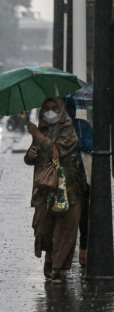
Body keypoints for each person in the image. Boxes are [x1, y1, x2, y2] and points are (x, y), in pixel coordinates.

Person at [24, 97, 86, 284]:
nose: (50, 112)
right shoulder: (41, 130)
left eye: (54, 108)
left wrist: (37, 134)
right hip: (45, 188)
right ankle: (49, 257)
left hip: (69, 188)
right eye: (47, 109)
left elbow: (57, 149)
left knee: (65, 229)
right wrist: (31, 154)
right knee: (43, 226)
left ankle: (58, 269)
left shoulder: (68, 129)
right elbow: (31, 158)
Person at [65, 96, 93, 266]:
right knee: (65, 217)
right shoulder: (55, 128)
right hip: (63, 177)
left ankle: (83, 249)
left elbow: (92, 143)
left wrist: (76, 142)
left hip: (83, 175)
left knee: (83, 215)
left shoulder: (83, 126)